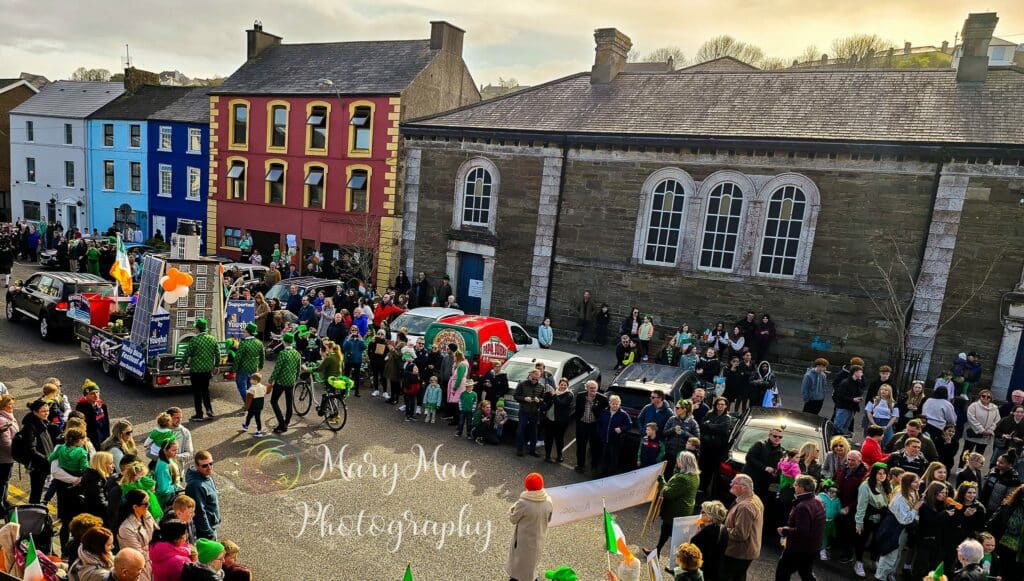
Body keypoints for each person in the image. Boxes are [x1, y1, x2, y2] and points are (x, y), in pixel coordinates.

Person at [775, 474, 825, 581]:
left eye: (796, 484)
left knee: (782, 572)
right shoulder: (818, 500)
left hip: (798, 548)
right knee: (806, 572)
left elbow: (802, 531)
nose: (793, 486)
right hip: (812, 547)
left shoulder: (803, 506)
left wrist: (784, 530)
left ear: (802, 488)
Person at [873, 472, 922, 581]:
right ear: (908, 483)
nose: (918, 483)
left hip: (902, 530)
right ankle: (880, 577)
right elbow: (904, 519)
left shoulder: (912, 492)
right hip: (894, 529)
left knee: (897, 554)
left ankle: (890, 574)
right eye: (915, 481)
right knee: (889, 555)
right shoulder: (900, 497)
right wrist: (915, 508)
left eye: (918, 480)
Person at [506, 472, 553, 581]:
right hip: (539, 538)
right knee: (532, 565)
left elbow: (513, 519)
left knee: (519, 566)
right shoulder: (548, 501)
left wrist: (511, 509)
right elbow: (549, 519)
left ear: (527, 486)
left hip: (524, 541)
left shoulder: (523, 502)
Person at [657, 451, 700, 555]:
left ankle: (679, 562)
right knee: (666, 532)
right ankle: (656, 551)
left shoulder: (683, 478)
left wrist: (662, 482)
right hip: (683, 510)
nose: (677, 461)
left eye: (679, 460)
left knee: (674, 537)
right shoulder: (695, 476)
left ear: (684, 462)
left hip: (675, 511)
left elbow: (668, 493)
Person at [722, 474, 764, 581]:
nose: (731, 484)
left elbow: (740, 534)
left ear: (744, 488)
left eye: (734, 483)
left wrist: (720, 530)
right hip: (746, 551)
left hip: (738, 553)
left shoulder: (745, 507)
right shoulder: (754, 498)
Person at [912, 481, 957, 580]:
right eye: (941, 492)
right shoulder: (925, 504)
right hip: (925, 540)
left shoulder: (943, 505)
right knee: (921, 567)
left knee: (932, 568)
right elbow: (930, 520)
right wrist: (946, 514)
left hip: (938, 542)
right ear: (934, 492)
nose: (944, 495)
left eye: (945, 492)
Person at [854, 462, 891, 578]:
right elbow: (861, 506)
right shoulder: (865, 486)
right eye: (879, 473)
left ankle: (874, 560)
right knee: (862, 540)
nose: (882, 476)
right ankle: (859, 562)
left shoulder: (885, 485)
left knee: (877, 540)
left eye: (884, 473)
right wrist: (859, 523)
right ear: (874, 473)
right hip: (868, 517)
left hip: (882, 518)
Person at [183, 319, 219, 421]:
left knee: (197, 393)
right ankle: (209, 410)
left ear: (197, 329)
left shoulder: (194, 340)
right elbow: (217, 354)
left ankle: (199, 414)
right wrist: (216, 366)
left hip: (196, 370)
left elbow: (187, 353)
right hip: (207, 370)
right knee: (205, 391)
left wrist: (182, 365)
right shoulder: (212, 339)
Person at [117, 489, 157, 581]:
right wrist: (154, 547)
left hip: (153, 565)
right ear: (135, 507)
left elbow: (159, 535)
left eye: (149, 502)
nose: (149, 505)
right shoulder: (125, 529)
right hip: (141, 572)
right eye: (146, 504)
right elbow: (138, 556)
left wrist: (148, 547)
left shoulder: (147, 515)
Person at [742, 427, 785, 509]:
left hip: (766, 486)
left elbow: (780, 469)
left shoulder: (782, 452)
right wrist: (765, 468)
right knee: (745, 504)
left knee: (761, 507)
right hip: (753, 481)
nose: (777, 438)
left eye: (780, 437)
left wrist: (776, 472)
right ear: (769, 435)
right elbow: (750, 458)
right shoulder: (760, 444)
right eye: (775, 436)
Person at [20, 398, 54, 503]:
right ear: (35, 412)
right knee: (36, 491)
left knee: (38, 490)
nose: (46, 413)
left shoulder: (42, 422)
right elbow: (31, 450)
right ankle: (33, 511)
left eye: (47, 411)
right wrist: (47, 459)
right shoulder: (30, 427)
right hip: (38, 466)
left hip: (44, 463)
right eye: (43, 411)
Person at [269, 332, 301, 434]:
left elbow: (277, 369)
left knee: (274, 401)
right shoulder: (297, 353)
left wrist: (270, 380)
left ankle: (282, 425)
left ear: (284, 341)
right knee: (289, 402)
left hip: (281, 381)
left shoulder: (283, 353)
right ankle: (286, 422)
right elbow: (298, 369)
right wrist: (295, 379)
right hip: (291, 381)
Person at [574, 380, 608, 474]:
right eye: (591, 388)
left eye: (594, 388)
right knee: (581, 447)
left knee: (595, 448)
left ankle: (594, 466)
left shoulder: (603, 399)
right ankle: (580, 465)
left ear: (597, 388)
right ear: (587, 388)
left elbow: (603, 415)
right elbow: (577, 411)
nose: (593, 390)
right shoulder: (581, 396)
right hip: (582, 425)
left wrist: (594, 408)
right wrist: (578, 422)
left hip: (594, 426)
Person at [185, 451, 220, 540]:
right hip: (205, 532)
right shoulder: (196, 486)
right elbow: (200, 512)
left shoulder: (206, 476)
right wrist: (209, 534)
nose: (209, 467)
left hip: (212, 526)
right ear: (197, 466)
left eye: (211, 463)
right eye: (204, 465)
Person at [690, 501, 728, 581]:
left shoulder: (706, 532)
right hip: (717, 570)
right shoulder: (723, 529)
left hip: (703, 571)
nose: (701, 513)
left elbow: (692, 551)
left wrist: (695, 535)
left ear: (710, 517)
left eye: (703, 512)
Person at [599, 395, 632, 476]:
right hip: (605, 439)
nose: (615, 405)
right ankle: (604, 470)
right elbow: (599, 423)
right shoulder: (604, 411)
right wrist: (600, 433)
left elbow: (629, 424)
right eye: (613, 404)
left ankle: (612, 472)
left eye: (617, 404)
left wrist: (621, 429)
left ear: (619, 404)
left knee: (614, 456)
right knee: (605, 455)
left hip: (615, 440)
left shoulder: (623, 414)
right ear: (609, 403)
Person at [515, 369, 545, 458]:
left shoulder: (541, 387)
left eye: (537, 377)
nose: (535, 379)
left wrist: (539, 400)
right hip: (524, 411)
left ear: (539, 377)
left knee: (533, 432)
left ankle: (532, 450)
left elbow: (543, 399)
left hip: (534, 413)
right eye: (533, 376)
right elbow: (516, 396)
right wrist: (524, 399)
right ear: (530, 375)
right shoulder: (522, 384)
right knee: (520, 431)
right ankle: (519, 449)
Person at [542, 378, 574, 463]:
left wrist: (553, 395)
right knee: (548, 439)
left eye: (565, 385)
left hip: (560, 422)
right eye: (561, 384)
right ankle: (547, 456)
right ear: (558, 384)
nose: (563, 386)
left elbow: (560, 404)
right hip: (549, 419)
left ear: (567, 386)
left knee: (559, 439)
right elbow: (546, 401)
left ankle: (559, 456)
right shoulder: (553, 392)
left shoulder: (569, 395)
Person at [232, 323, 264, 406]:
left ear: (248, 332)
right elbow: (262, 356)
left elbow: (238, 358)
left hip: (243, 369)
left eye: (244, 331)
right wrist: (260, 366)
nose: (243, 333)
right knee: (250, 387)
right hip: (254, 368)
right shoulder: (259, 343)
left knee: (241, 386)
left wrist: (234, 369)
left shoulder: (243, 343)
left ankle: (249, 404)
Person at [965, 389, 1001, 461]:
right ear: (980, 396)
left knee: (979, 455)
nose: (986, 398)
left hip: (985, 437)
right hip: (973, 434)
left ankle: (975, 469)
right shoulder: (974, 406)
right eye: (983, 396)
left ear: (991, 399)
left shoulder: (995, 408)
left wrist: (990, 430)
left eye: (988, 397)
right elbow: (971, 418)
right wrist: (981, 430)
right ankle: (961, 467)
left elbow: (997, 420)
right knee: (967, 452)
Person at [76, 379, 111, 444]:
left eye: (97, 392)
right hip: (91, 440)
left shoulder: (102, 405)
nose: (96, 395)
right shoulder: (81, 408)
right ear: (86, 395)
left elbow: (106, 422)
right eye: (92, 393)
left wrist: (108, 436)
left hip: (103, 438)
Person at [833, 364, 865, 436]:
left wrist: (858, 398)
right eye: (860, 372)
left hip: (851, 408)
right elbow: (840, 396)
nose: (862, 374)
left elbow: (860, 392)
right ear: (855, 372)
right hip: (843, 407)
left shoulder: (857, 382)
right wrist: (852, 399)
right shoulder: (845, 382)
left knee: (845, 427)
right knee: (838, 427)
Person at [0, 394, 16, 514]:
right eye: (10, 404)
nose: (12, 406)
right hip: (4, 458)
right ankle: (1, 505)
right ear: (3, 406)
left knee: (5, 480)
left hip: (7, 457)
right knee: (2, 481)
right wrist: (16, 453)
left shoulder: (7, 416)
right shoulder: (2, 420)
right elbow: (6, 443)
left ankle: (4, 501)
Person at [342, 326, 366, 396]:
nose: (354, 331)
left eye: (355, 330)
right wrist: (349, 339)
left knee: (357, 376)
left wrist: (361, 339)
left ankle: (357, 391)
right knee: (346, 375)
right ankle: (344, 390)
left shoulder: (360, 339)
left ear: (357, 331)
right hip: (348, 359)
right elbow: (344, 347)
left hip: (357, 360)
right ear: (350, 331)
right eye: (352, 330)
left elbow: (364, 347)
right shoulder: (347, 338)